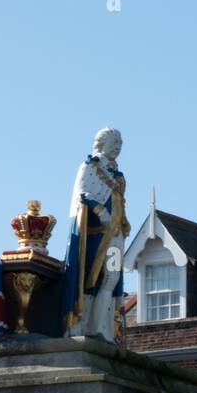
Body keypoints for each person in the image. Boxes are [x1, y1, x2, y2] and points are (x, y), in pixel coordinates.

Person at [61, 127, 130, 341]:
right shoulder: (90, 166)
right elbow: (83, 192)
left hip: (116, 233)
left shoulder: (118, 174)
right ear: (102, 144)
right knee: (93, 279)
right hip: (97, 233)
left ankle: (103, 328)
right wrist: (100, 211)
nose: (118, 146)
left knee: (112, 279)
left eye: (120, 142)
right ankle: (87, 324)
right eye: (114, 141)